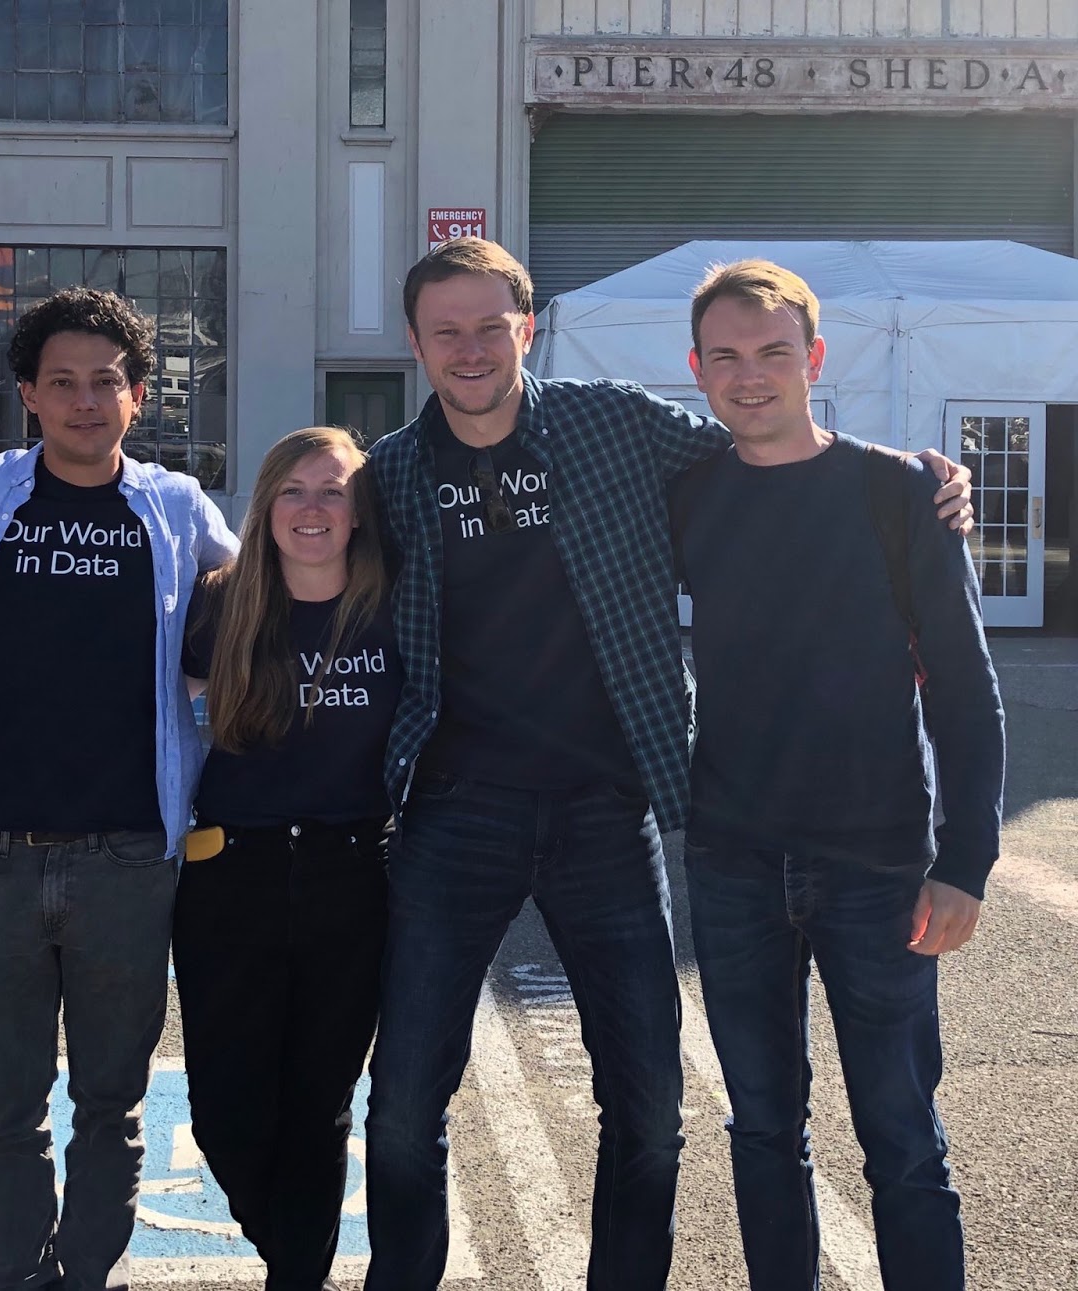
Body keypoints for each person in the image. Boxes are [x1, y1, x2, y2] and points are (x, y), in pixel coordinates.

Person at [360, 237, 973, 1291]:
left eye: (488, 325)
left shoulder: (611, 423)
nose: (469, 349)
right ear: (414, 343)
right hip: (454, 811)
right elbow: (312, 564)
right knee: (407, 1096)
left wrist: (916, 477)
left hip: (609, 807)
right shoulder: (392, 474)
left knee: (647, 1105)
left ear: (526, 325)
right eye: (443, 331)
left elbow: (770, 446)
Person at [675, 259, 1004, 1291]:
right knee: (763, 1127)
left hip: (877, 864)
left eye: (773, 351)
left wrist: (966, 862)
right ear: (696, 370)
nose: (750, 375)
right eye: (725, 356)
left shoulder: (896, 489)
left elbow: (965, 689)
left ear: (812, 358)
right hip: (731, 862)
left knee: (903, 1139)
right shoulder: (683, 492)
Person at [0, 286, 238, 1291]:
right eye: (61, 382)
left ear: (138, 396)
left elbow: (255, 617)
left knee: (113, 1099)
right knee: (5, 1104)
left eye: (105, 382)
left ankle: (88, 1273)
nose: (84, 401)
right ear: (28, 394)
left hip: (126, 855)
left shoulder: (177, 508)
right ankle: (15, 1276)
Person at [175, 426, 401, 1291]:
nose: (313, 509)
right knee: (224, 1115)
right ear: (265, 506)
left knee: (318, 1108)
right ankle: (294, 1254)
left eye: (334, 491)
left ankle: (296, 1278)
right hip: (231, 876)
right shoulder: (221, 604)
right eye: (294, 491)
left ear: (359, 512)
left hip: (355, 877)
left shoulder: (394, 604)